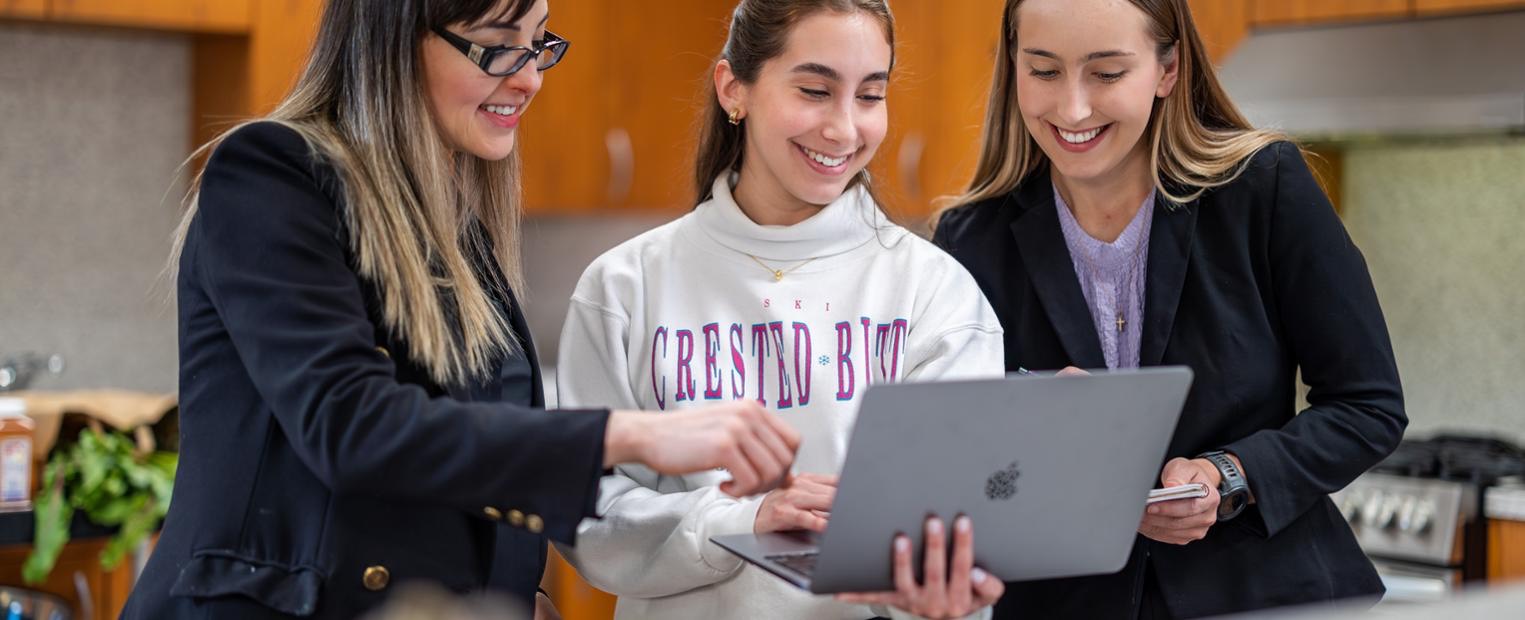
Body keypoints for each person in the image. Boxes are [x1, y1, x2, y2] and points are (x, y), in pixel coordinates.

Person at [121, 1, 803, 618]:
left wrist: (516, 596)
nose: (529, 78)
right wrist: (629, 435)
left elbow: (475, 460)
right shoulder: (272, 175)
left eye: (538, 45)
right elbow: (354, 427)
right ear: (390, 41)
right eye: (497, 46)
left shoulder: (457, 228)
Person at [931, 0, 1407, 617]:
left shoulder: (1265, 190)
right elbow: (954, 461)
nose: (1072, 108)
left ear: (1168, 70)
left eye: (1106, 73)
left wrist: (1230, 474)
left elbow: (1368, 406)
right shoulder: (969, 240)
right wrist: (1029, 424)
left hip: (1265, 600)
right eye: (1043, 71)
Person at [552, 1, 1007, 618]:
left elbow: (960, 531)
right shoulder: (623, 289)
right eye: (816, 90)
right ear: (733, 88)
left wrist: (936, 593)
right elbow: (585, 516)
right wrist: (745, 521)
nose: (845, 129)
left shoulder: (937, 295)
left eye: (870, 95)